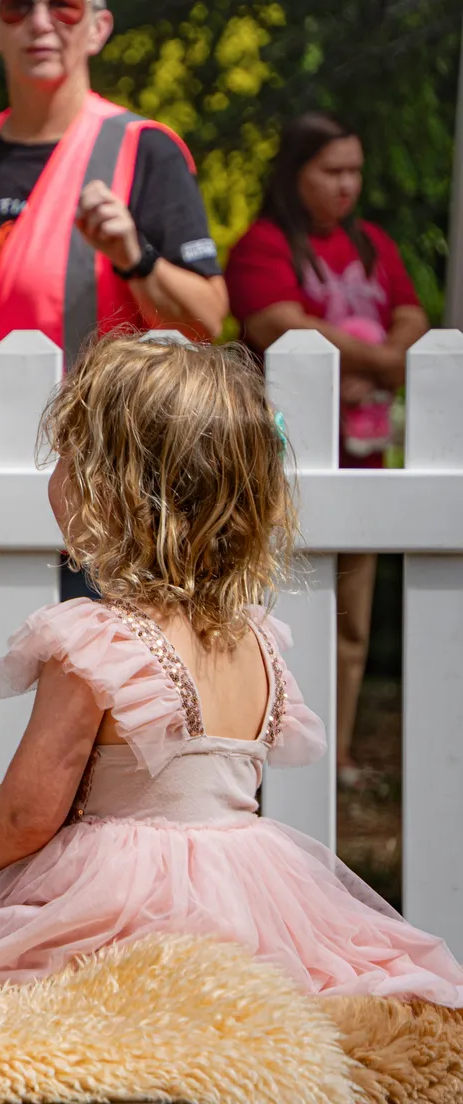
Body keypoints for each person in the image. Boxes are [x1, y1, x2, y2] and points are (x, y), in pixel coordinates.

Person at [0, 337, 463, 1007]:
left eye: (67, 456)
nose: (54, 474)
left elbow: (28, 813)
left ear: (111, 490)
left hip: (120, 909)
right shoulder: (258, 640)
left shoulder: (100, 642)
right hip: (252, 904)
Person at [0, 0, 229, 806]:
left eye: (66, 7)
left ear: (98, 27)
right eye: (18, 7)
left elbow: (208, 316)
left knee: (93, 771)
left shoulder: (139, 152)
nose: (41, 22)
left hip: (102, 503)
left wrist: (135, 254)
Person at [226, 111, 429, 789]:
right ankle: (256, 757)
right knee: (263, 618)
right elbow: (277, 322)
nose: (348, 185)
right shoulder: (261, 245)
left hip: (361, 465)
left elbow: (412, 314)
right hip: (272, 471)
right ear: (296, 173)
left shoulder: (371, 243)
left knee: (350, 623)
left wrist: (382, 357)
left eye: (355, 171)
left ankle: (331, 757)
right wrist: (383, 361)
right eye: (332, 171)